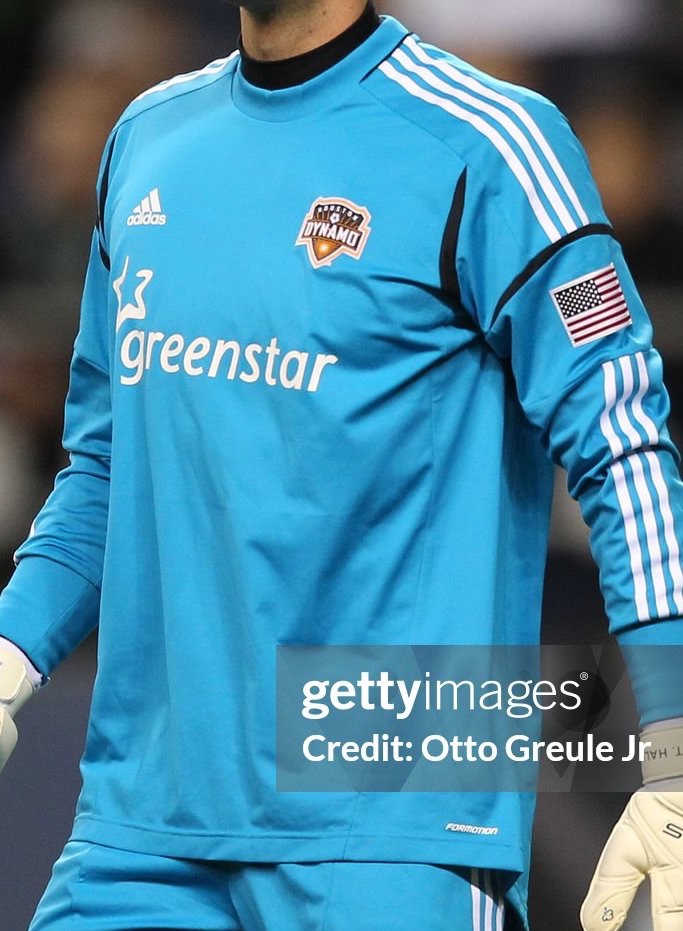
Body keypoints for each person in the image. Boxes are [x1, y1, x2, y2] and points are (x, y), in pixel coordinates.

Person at [0, 1, 682, 928]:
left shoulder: (491, 145)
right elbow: (107, 468)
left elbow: (621, 442)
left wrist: (672, 743)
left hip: (391, 819)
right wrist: (11, 650)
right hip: (140, 828)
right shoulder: (147, 140)